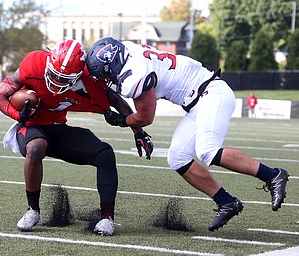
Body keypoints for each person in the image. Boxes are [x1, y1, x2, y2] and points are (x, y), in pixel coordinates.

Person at [85, 37, 290, 232]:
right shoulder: (129, 50)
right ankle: (226, 201)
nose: (106, 80)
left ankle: (272, 175)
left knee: (207, 150)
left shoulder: (136, 75)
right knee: (177, 157)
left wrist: (120, 120)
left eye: (106, 75)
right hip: (196, 102)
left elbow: (146, 117)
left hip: (211, 93)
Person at [0, 39, 153, 235]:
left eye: (64, 79)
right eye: (55, 75)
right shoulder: (34, 63)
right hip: (33, 127)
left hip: (58, 128)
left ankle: (106, 218)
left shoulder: (90, 82)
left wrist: (139, 132)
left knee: (105, 155)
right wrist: (19, 115)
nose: (57, 82)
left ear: (78, 75)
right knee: (36, 148)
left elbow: (117, 101)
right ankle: (33, 210)